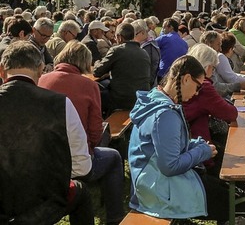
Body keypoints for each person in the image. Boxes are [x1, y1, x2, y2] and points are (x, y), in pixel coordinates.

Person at [128, 55, 232, 221]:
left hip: (147, 182)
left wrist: (195, 145)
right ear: (186, 79)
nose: (197, 93)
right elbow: (170, 166)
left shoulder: (155, 98)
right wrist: (201, 152)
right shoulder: (165, 115)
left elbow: (163, 147)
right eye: (198, 87)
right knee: (228, 201)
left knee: (220, 189)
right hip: (157, 191)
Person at [0, 41, 93, 224]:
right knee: (82, 192)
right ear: (41, 70)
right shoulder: (61, 104)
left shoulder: (60, 104)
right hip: (43, 203)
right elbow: (82, 166)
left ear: (2, 70)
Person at [39, 41, 126, 225]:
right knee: (115, 156)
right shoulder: (88, 85)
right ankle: (115, 216)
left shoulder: (42, 79)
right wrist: (90, 148)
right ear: (84, 62)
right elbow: (94, 132)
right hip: (74, 158)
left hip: (46, 157)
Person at [183, 44, 239, 174]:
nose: (213, 72)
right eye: (213, 68)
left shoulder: (184, 79)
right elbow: (230, 114)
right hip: (198, 146)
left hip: (186, 140)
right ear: (207, 67)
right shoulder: (203, 86)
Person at [93, 22, 151, 114]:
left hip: (121, 100)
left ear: (119, 37)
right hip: (141, 98)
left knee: (95, 91)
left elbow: (97, 72)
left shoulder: (117, 50)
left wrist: (96, 63)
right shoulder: (144, 53)